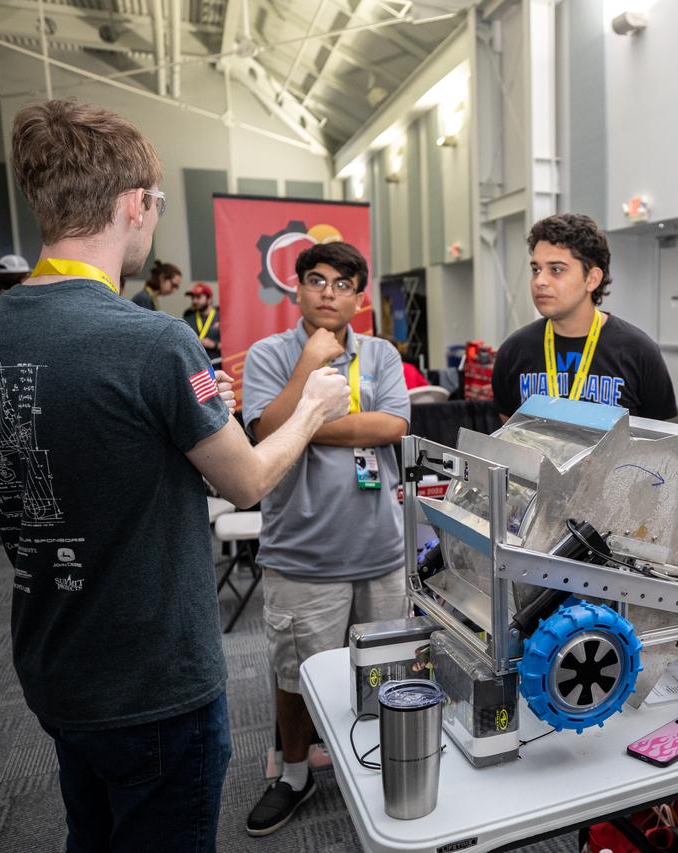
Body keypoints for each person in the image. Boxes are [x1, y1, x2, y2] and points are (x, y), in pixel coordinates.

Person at [0, 98, 351, 853]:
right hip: (154, 676)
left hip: (55, 659)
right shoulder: (153, 341)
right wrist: (311, 408)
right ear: (135, 204)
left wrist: (189, 414)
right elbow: (246, 482)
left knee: (92, 833)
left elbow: (83, 446)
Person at [241, 241, 411, 836]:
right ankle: (293, 774)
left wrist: (308, 423)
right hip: (302, 554)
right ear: (298, 289)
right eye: (316, 280)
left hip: (381, 550)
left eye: (343, 284)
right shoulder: (270, 354)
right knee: (296, 676)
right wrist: (309, 366)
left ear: (359, 297)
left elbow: (393, 425)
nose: (328, 293)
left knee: (387, 668)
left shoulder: (381, 354)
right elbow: (265, 431)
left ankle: (385, 757)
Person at [491, 213, 677, 420]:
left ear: (592, 279)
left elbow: (660, 435)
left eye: (556, 269)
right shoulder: (513, 351)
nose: (540, 281)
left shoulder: (639, 351)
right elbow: (508, 430)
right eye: (536, 269)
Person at [183, 281, 221, 363]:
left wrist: (214, 345)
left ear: (209, 299)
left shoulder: (222, 316)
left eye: (198, 297)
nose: (194, 301)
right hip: (196, 366)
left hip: (217, 364)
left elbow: (232, 346)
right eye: (193, 297)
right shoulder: (188, 317)